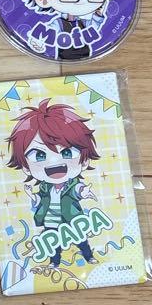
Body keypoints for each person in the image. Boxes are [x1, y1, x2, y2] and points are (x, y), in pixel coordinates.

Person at [6, 99, 101, 267]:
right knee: (53, 244)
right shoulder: (45, 187)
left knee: (81, 239)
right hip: (50, 221)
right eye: (39, 155)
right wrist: (31, 195)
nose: (54, 163)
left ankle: (89, 257)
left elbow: (77, 189)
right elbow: (40, 200)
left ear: (85, 160)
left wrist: (84, 192)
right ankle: (54, 262)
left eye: (67, 152)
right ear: (26, 167)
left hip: (71, 220)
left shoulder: (71, 184)